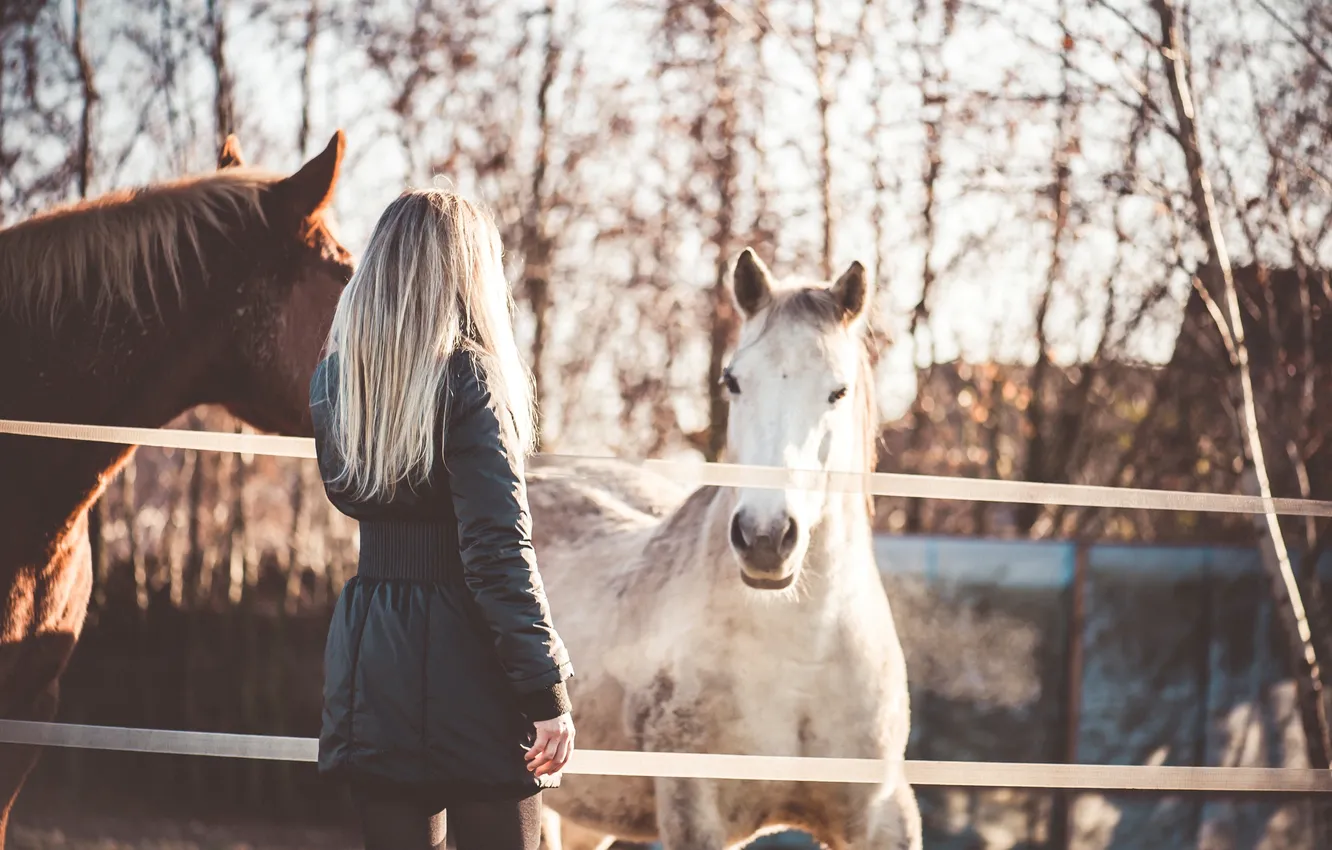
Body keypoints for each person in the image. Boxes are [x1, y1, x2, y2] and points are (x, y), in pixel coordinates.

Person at [309, 188, 575, 850]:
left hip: (372, 651)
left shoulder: (336, 383)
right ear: (468, 272)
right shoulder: (469, 378)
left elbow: (355, 495)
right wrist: (547, 695)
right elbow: (496, 550)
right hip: (469, 663)